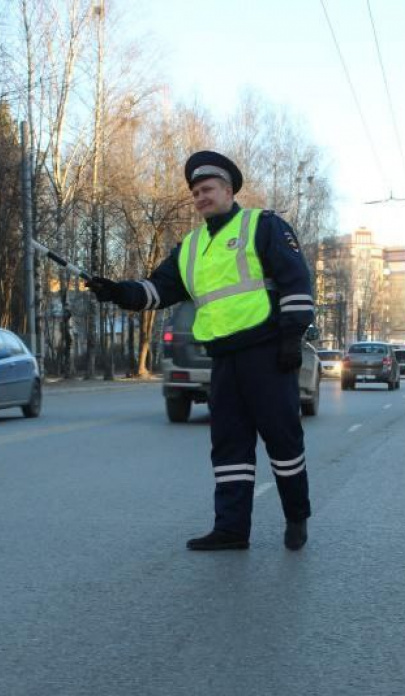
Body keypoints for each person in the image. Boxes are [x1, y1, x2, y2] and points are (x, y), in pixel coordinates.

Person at [87, 151, 315, 551]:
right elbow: (159, 289)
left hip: (266, 354)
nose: (200, 197)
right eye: (195, 192)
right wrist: (118, 292)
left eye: (207, 189)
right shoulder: (191, 247)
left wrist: (291, 339)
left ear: (228, 190)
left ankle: (296, 517)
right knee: (228, 446)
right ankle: (231, 529)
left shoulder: (263, 226)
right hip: (224, 360)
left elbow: (296, 282)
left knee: (283, 441)